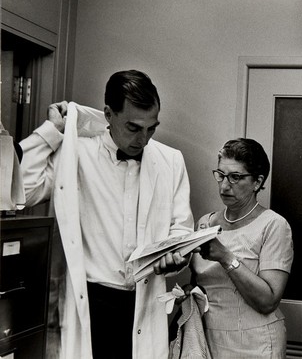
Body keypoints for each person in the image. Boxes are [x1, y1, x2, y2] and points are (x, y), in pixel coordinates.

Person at [20, 70, 194, 359]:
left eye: (152, 129)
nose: (144, 139)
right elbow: (23, 192)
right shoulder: (76, 153)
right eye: (134, 128)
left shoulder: (171, 160)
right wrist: (51, 131)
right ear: (108, 114)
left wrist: (176, 255)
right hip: (91, 302)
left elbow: (181, 228)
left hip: (145, 301)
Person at [191, 138, 293, 358]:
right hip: (207, 340)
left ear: (257, 182)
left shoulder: (273, 225)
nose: (225, 185)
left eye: (235, 177)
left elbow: (268, 301)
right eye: (221, 175)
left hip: (255, 344)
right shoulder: (204, 223)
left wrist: (226, 257)